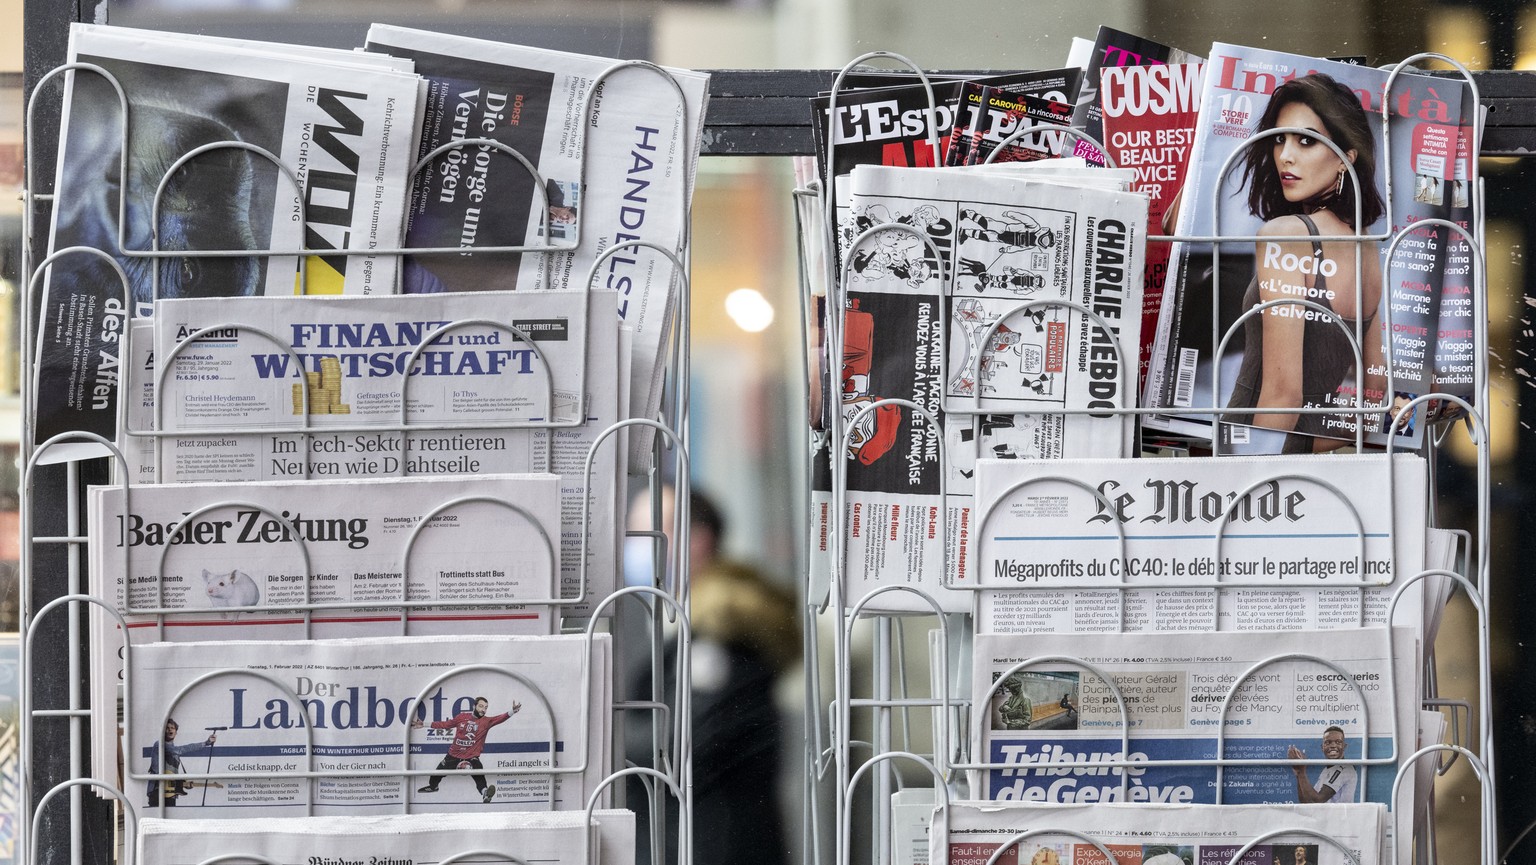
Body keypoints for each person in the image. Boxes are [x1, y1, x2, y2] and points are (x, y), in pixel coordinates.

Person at [1222, 73, 1387, 453]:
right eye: (1279, 139)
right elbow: (1373, 392)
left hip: (1246, 459)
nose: (1285, 155)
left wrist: (1253, 478)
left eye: (1307, 140)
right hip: (1306, 466)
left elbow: (1282, 393)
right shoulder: (1367, 246)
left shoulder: (1288, 235)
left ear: (1348, 157)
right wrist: (1302, 448)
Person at [412, 697, 520, 803]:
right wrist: (425, 724)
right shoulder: (461, 717)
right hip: (453, 755)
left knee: (479, 771)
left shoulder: (486, 722)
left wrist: (512, 711)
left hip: (471, 757)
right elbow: (445, 725)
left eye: (486, 707)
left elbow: (499, 718)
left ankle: (485, 793)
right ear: (474, 706)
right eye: (481, 706)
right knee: (436, 775)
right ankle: (433, 787)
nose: (483, 709)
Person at [144, 717, 215, 807]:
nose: (169, 730)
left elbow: (172, 775)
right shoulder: (159, 744)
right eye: (167, 728)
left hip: (171, 793)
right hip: (157, 791)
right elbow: (179, 750)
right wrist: (205, 743)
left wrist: (183, 785)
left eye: (172, 728)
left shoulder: (175, 753)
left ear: (176, 732)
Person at [1287, 725, 1357, 803]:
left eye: (1338, 742)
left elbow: (1318, 800)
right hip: (1323, 815)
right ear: (1322, 747)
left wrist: (1302, 772)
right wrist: (1298, 774)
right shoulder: (1327, 769)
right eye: (1328, 742)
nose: (1333, 746)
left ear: (1344, 746)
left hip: (1339, 815)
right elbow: (1306, 801)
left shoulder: (1345, 768)